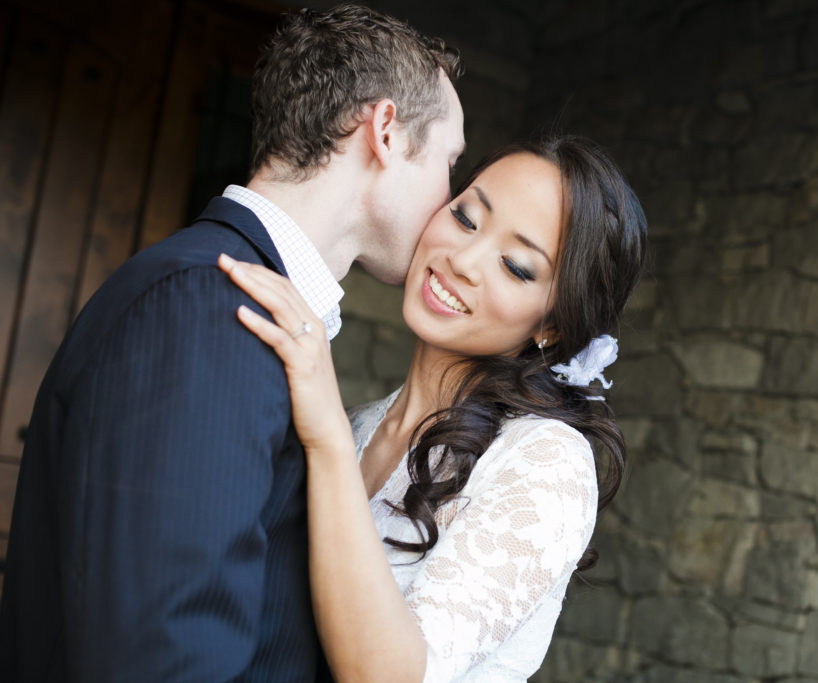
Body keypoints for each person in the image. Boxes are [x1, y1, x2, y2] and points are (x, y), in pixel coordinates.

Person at [0, 5, 464, 681]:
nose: (451, 200)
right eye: (451, 160)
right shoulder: (210, 308)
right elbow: (164, 659)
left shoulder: (243, 304)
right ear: (385, 132)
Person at [218, 135, 648, 682]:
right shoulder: (356, 426)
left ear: (553, 325)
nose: (462, 259)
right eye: (466, 218)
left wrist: (323, 433)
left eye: (516, 266)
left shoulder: (546, 461)